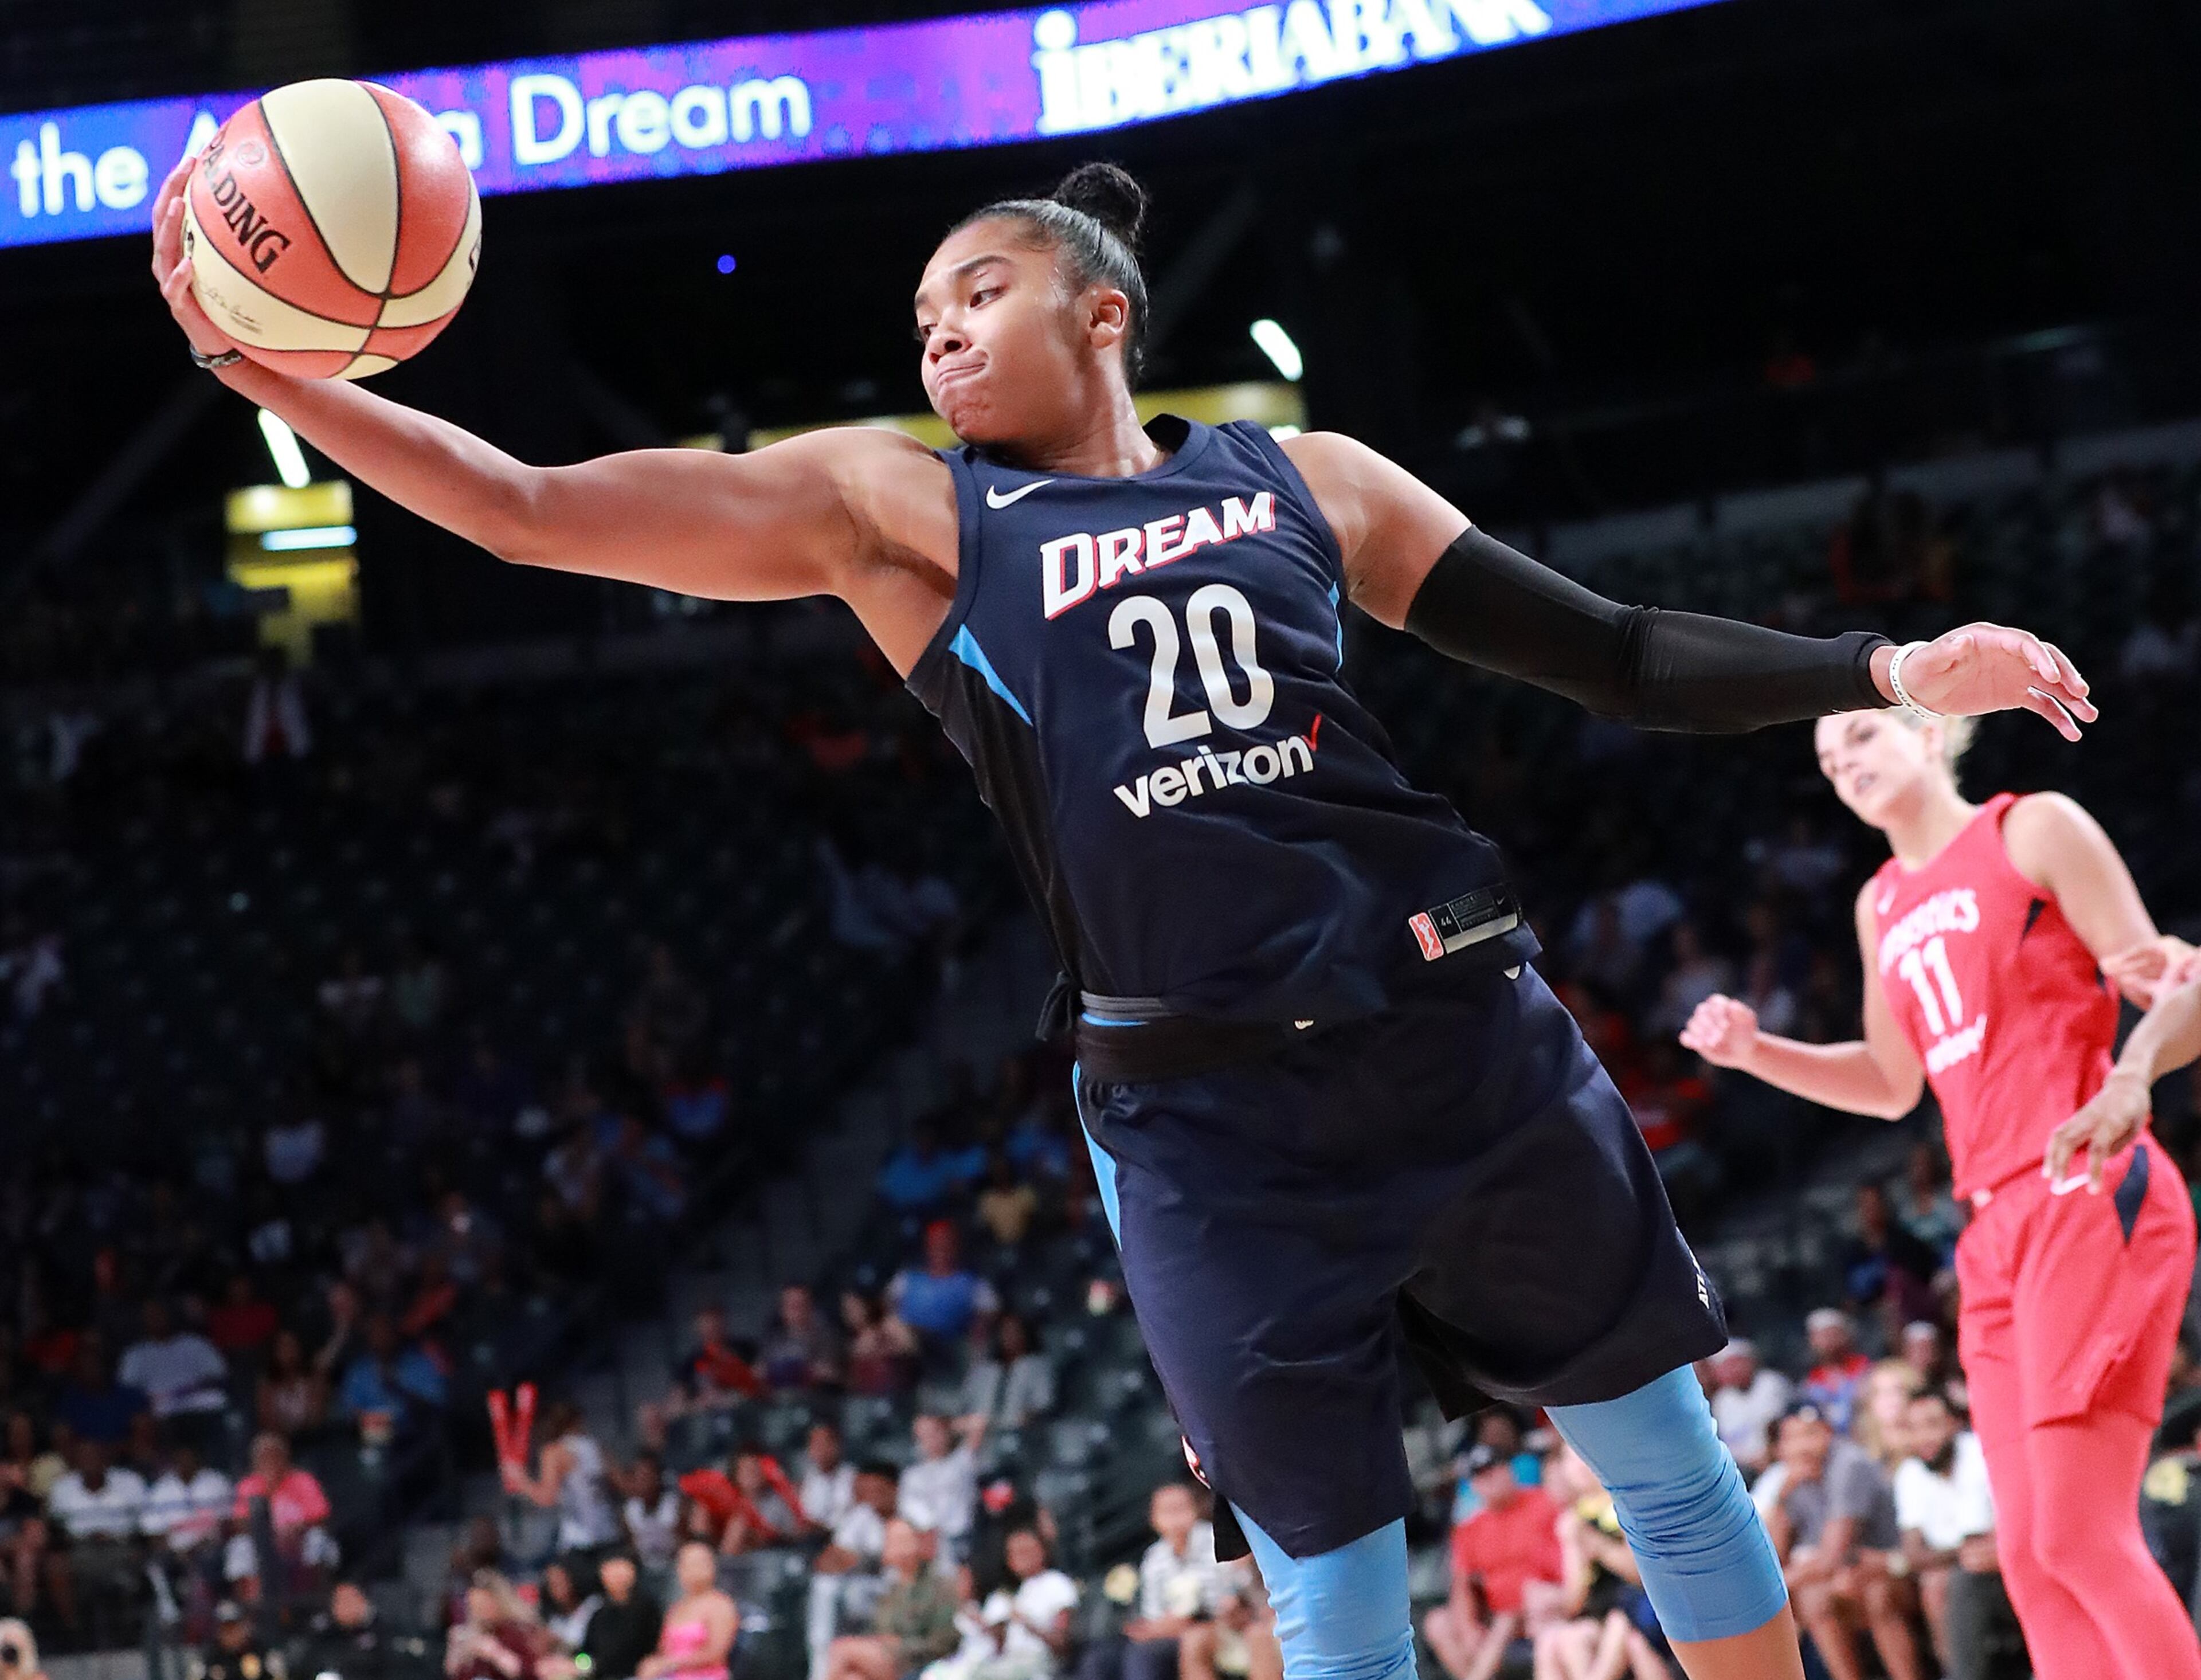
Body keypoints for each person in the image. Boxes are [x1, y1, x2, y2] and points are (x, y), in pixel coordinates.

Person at [155, 150, 2101, 1680]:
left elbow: (1611, 649)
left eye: (975, 291)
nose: (932, 333)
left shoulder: (1305, 476)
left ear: (1104, 316)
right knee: (1338, 1613)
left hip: (1456, 1032)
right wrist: (273, 371)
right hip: (1207, 1127)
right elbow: (530, 505)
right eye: (916, 314)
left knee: (1672, 1479)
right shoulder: (903, 512)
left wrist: (1887, 662)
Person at [1682, 704, 2201, 1680]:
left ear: (1930, 733)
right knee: (2031, 1559)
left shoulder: (2031, 827)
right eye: (1831, 760)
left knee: (2081, 1536)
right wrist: (1758, 1051)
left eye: (1864, 739)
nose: (1846, 766)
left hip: (2085, 1186)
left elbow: (2180, 983)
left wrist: (2133, 1075)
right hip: (1991, 1230)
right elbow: (1891, 1082)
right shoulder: (1881, 903)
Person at [1751, 1404, 1917, 1680]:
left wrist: (1773, 1585)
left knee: (1873, 1593)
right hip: (1845, 1576)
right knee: (1815, 1597)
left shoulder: (1848, 1464)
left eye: (1811, 1434)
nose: (1803, 1446)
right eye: (1793, 1438)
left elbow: (1832, 1556)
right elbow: (1774, 1555)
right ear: (1781, 1447)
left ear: (1829, 1434)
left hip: (1896, 1568)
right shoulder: (1790, 1478)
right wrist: (1782, 1497)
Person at [1421, 1445, 1562, 1680]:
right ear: (1474, 1485)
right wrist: (1467, 1627)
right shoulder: (1469, 1529)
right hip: (1496, 1616)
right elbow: (1463, 1585)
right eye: (1482, 1476)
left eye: (1495, 1469)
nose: (1491, 1479)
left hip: (1540, 1604)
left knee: (1505, 1622)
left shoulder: (1544, 1502)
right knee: (1438, 1623)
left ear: (1509, 1470)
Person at [1891, 1390, 2005, 1680]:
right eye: (1914, 1429)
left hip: (2001, 1566)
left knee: (1943, 1582)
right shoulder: (1909, 1472)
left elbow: (1978, 1541)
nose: (1925, 1437)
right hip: (1957, 1569)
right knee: (1937, 1584)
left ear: (1954, 1424)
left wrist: (1948, 1555)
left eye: (1932, 1424)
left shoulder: (1977, 1452)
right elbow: (1914, 1554)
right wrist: (1956, 1554)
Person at [1532, 1447, 1666, 1680]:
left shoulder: (1626, 1505)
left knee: (1620, 1624)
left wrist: (1595, 1543)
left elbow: (1640, 1575)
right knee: (1561, 1641)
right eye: (1570, 1461)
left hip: (1643, 1604)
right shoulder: (1572, 1519)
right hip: (1601, 1611)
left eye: (1582, 1457)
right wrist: (1574, 1546)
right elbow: (1575, 1600)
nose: (1579, 1466)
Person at [823, 1517, 961, 1680]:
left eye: (903, 1540)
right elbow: (876, 1631)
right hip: (884, 1657)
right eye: (892, 1541)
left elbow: (943, 1643)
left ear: (916, 1542)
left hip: (917, 1664)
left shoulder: (938, 1586)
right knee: (852, 1678)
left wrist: (899, 1647)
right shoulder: (892, 1590)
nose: (898, 1547)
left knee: (841, 1650)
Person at [1119, 1482, 1219, 1680]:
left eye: (1180, 1508)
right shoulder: (1154, 1557)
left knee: (1194, 1642)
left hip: (1215, 1624)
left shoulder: (1214, 1539)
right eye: (1167, 1511)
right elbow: (1154, 1613)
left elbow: (1221, 1600)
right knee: (1140, 1653)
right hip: (1172, 1633)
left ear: (1196, 1509)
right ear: (1153, 1519)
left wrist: (1184, 1619)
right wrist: (1158, 1627)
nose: (1175, 1517)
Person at [503, 1402, 624, 1558]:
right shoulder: (598, 1448)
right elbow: (622, 1484)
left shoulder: (555, 1452)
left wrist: (521, 1481)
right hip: (609, 1536)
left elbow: (548, 1498)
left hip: (580, 1540)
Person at [636, 1542, 737, 1680]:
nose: (694, 1570)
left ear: (713, 1566)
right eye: (686, 1564)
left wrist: (669, 1663)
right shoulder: (677, 1607)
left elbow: (716, 1653)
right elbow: (664, 1649)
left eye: (700, 1563)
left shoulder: (721, 1605)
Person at [446, 1573, 556, 1680]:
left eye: (483, 1604)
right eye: (475, 1606)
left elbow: (532, 1672)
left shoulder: (520, 1631)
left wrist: (495, 1653)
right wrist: (456, 1652)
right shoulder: (476, 1636)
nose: (479, 1612)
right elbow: (458, 1674)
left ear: (499, 1601)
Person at [1706, 1340, 1791, 1477]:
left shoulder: (1771, 1383)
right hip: (1740, 1469)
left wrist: (1767, 1456)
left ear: (1751, 1362)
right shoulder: (1722, 1400)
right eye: (1725, 1366)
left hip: (1778, 1462)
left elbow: (1775, 1430)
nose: (1732, 1371)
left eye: (1736, 1364)